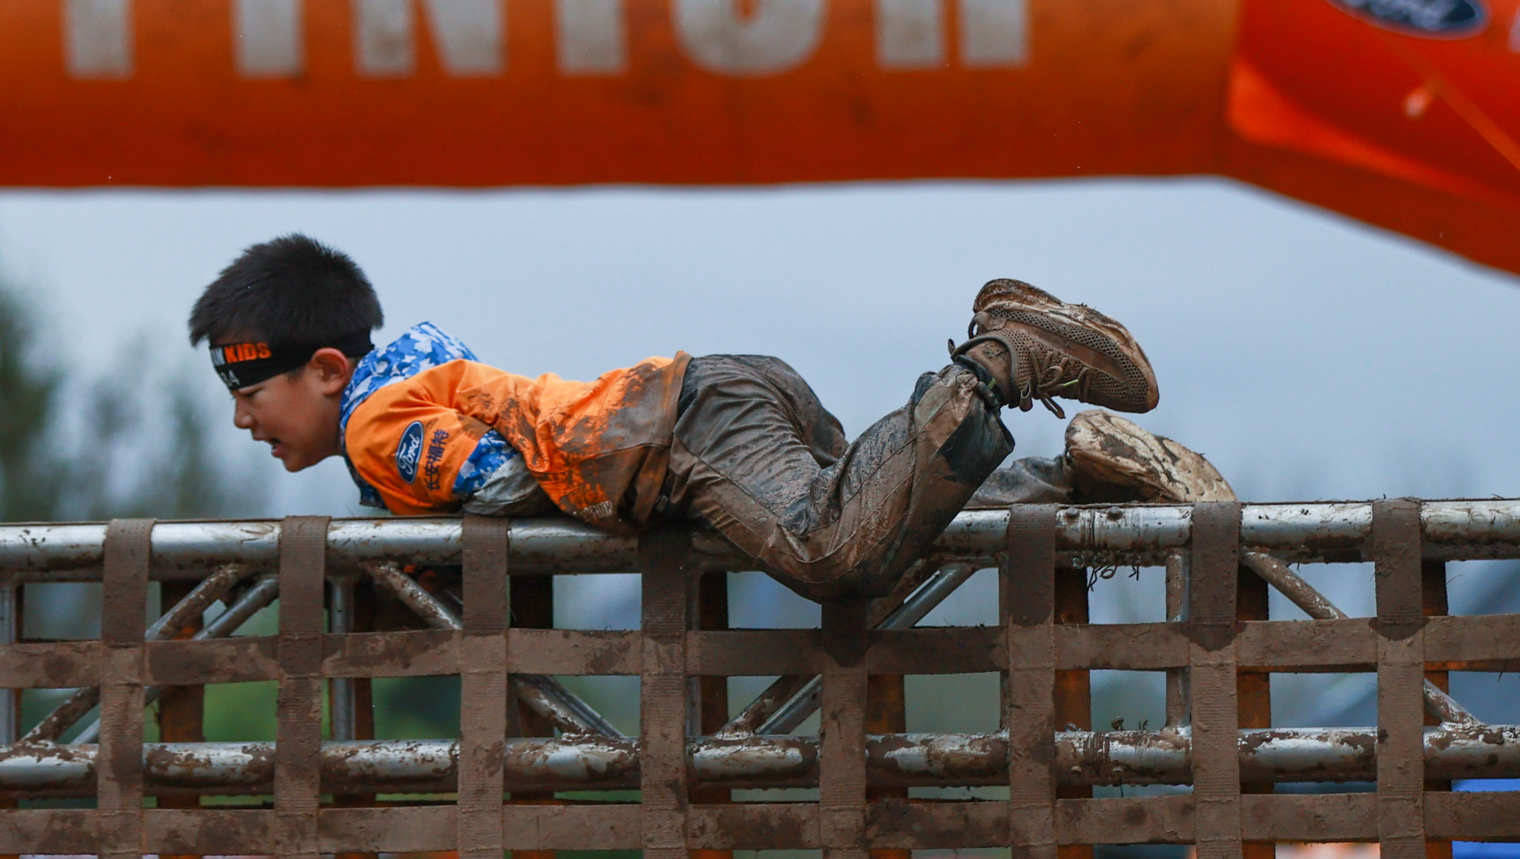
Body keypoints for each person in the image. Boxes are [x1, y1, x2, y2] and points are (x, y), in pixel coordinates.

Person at [189, 234, 1164, 601]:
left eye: (250, 392)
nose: (242, 419)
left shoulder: (375, 424)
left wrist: (419, 549)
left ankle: (1002, 354)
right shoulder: (422, 378)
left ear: (326, 369)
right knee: (886, 514)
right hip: (709, 393)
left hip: (671, 439)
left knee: (833, 553)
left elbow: (494, 484)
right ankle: (1080, 472)